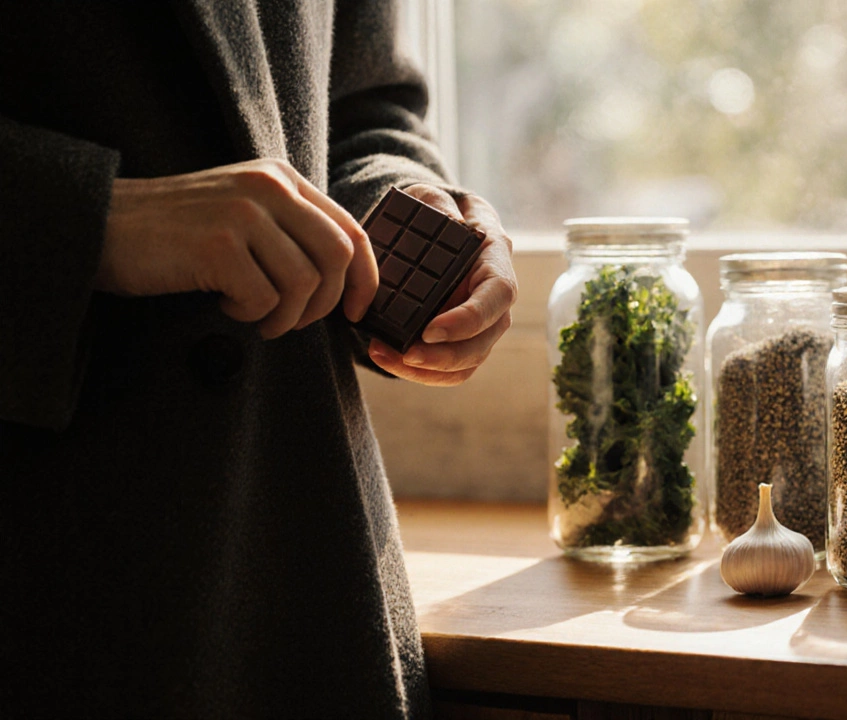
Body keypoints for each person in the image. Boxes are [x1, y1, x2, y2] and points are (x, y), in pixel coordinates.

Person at [0, 2, 515, 717]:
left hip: (296, 546)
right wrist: (101, 220)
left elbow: (364, 105)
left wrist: (409, 216)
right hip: (42, 574)